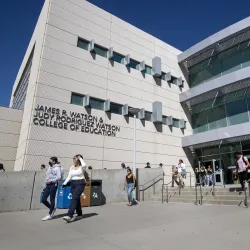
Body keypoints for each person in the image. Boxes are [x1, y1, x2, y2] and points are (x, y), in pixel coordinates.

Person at [62, 155, 87, 223]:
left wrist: (81, 158)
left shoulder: (82, 167)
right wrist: (64, 184)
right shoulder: (72, 167)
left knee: (74, 198)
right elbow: (69, 176)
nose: (74, 161)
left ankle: (69, 215)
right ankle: (79, 214)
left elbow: (84, 165)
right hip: (73, 183)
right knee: (76, 199)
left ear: (78, 161)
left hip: (80, 183)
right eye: (73, 159)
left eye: (75, 160)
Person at [41, 157, 61, 221]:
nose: (49, 161)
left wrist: (52, 181)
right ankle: (52, 208)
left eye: (50, 160)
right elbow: (47, 175)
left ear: (54, 161)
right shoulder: (50, 167)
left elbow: (59, 177)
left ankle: (50, 214)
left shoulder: (57, 168)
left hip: (53, 185)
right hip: (48, 185)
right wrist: (45, 185)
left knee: (52, 199)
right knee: (43, 199)